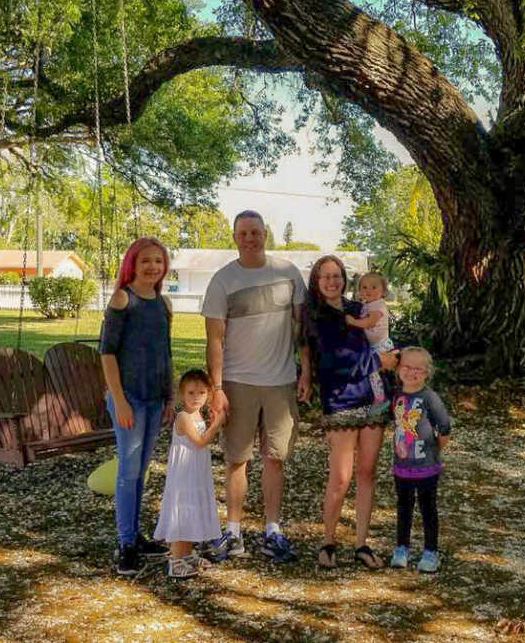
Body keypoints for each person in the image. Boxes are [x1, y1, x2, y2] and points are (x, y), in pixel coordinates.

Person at [202, 210, 310, 563]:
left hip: (280, 383)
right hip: (237, 382)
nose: (250, 239)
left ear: (266, 234)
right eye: (243, 233)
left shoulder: (288, 273)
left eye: (256, 232)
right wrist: (216, 387)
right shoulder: (222, 281)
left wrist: (305, 373)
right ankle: (232, 531)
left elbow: (303, 331)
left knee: (275, 458)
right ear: (234, 237)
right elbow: (214, 340)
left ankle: (273, 530)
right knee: (237, 459)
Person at [302, 255, 399, 570]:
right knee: (341, 477)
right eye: (325, 276)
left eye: (337, 276)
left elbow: (378, 335)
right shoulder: (316, 316)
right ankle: (328, 541)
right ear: (317, 282)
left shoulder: (358, 309)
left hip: (373, 401)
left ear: (344, 279)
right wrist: (378, 363)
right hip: (341, 400)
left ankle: (361, 544)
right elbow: (332, 363)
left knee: (367, 472)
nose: (332, 282)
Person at [99, 237, 174, 576]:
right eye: (145, 260)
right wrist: (119, 400)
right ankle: (125, 543)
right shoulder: (122, 299)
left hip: (154, 398)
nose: (152, 267)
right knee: (128, 473)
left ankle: (137, 535)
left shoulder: (162, 303)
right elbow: (107, 354)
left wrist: (169, 397)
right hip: (128, 398)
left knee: (142, 471)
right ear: (133, 263)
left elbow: (164, 354)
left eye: (158, 261)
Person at [154, 370, 225, 578]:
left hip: (196, 472)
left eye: (201, 393)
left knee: (192, 507)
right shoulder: (183, 417)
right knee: (181, 507)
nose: (196, 398)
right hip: (184, 473)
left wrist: (211, 422)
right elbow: (200, 441)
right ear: (182, 394)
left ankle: (186, 553)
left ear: (209, 394)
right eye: (191, 393)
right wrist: (216, 425)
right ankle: (175, 560)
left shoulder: (198, 414)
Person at [388, 346, 451, 573]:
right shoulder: (395, 395)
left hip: (427, 468)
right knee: (404, 507)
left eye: (418, 368)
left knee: (428, 508)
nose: (411, 372)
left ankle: (430, 551)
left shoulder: (429, 398)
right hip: (402, 467)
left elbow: (444, 428)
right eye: (406, 366)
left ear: (427, 373)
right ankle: (401, 548)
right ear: (397, 369)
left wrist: (434, 452)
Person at [345, 272, 393, 409]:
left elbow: (369, 323)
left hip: (380, 345)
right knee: (369, 370)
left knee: (372, 371)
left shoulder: (378, 305)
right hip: (373, 345)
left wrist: (353, 321)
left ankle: (380, 399)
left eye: (373, 287)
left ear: (383, 291)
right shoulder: (368, 305)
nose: (368, 291)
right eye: (364, 287)